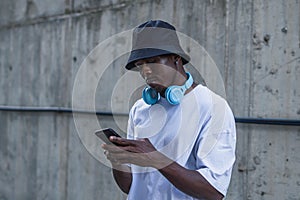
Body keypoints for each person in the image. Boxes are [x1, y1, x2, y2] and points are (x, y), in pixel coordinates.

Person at [102, 20, 236, 200]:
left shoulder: (213, 107)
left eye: (153, 61)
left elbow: (213, 191)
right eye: (140, 65)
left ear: (176, 59)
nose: (146, 71)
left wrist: (154, 158)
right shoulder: (140, 108)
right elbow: (131, 187)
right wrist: (117, 162)